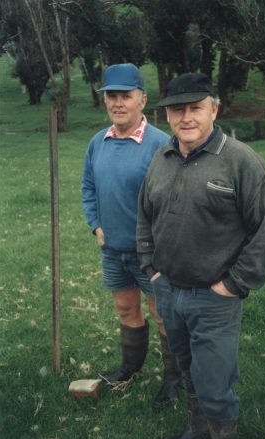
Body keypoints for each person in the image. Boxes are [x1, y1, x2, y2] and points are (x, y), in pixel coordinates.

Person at [137, 73, 265, 439]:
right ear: (166, 114)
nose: (187, 117)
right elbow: (144, 217)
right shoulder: (162, 157)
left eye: (196, 108)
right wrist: (152, 269)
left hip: (215, 299)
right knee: (187, 369)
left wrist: (232, 285)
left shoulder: (241, 161)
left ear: (213, 109)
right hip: (169, 291)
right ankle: (197, 431)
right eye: (177, 109)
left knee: (214, 382)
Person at [81, 63, 181, 409]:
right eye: (112, 96)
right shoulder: (99, 142)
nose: (118, 102)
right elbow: (88, 187)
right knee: (126, 309)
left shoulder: (160, 144)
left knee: (163, 314)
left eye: (126, 95)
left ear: (143, 99)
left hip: (152, 253)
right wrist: (95, 224)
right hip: (113, 249)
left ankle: (173, 378)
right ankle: (130, 367)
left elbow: (176, 199)